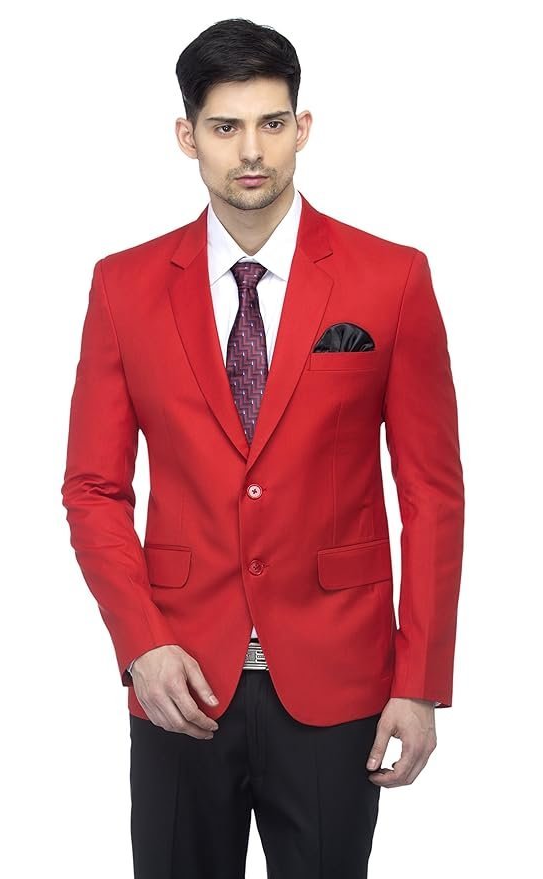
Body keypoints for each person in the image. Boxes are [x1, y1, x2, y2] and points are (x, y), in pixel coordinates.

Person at [61, 17, 465, 879]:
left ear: (302, 127)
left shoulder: (391, 279)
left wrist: (420, 679)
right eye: (225, 126)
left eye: (272, 123)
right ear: (188, 136)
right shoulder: (123, 287)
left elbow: (432, 492)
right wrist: (140, 644)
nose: (252, 151)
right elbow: (93, 488)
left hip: (340, 680)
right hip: (178, 677)